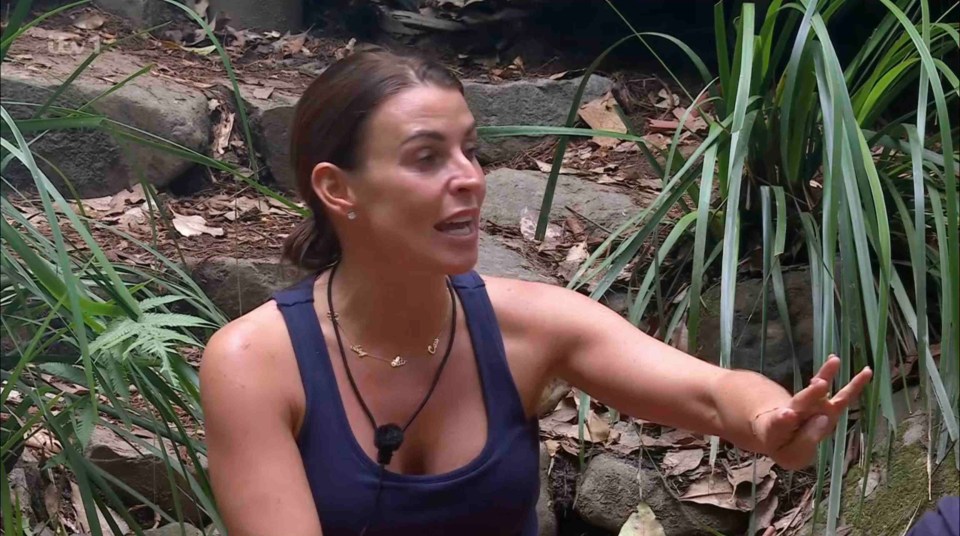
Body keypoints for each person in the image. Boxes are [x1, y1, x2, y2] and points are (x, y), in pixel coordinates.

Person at [199, 50, 874, 536]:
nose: (468, 176)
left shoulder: (532, 324)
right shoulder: (255, 363)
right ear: (337, 188)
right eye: (427, 157)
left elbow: (712, 392)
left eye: (470, 149)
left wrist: (768, 422)